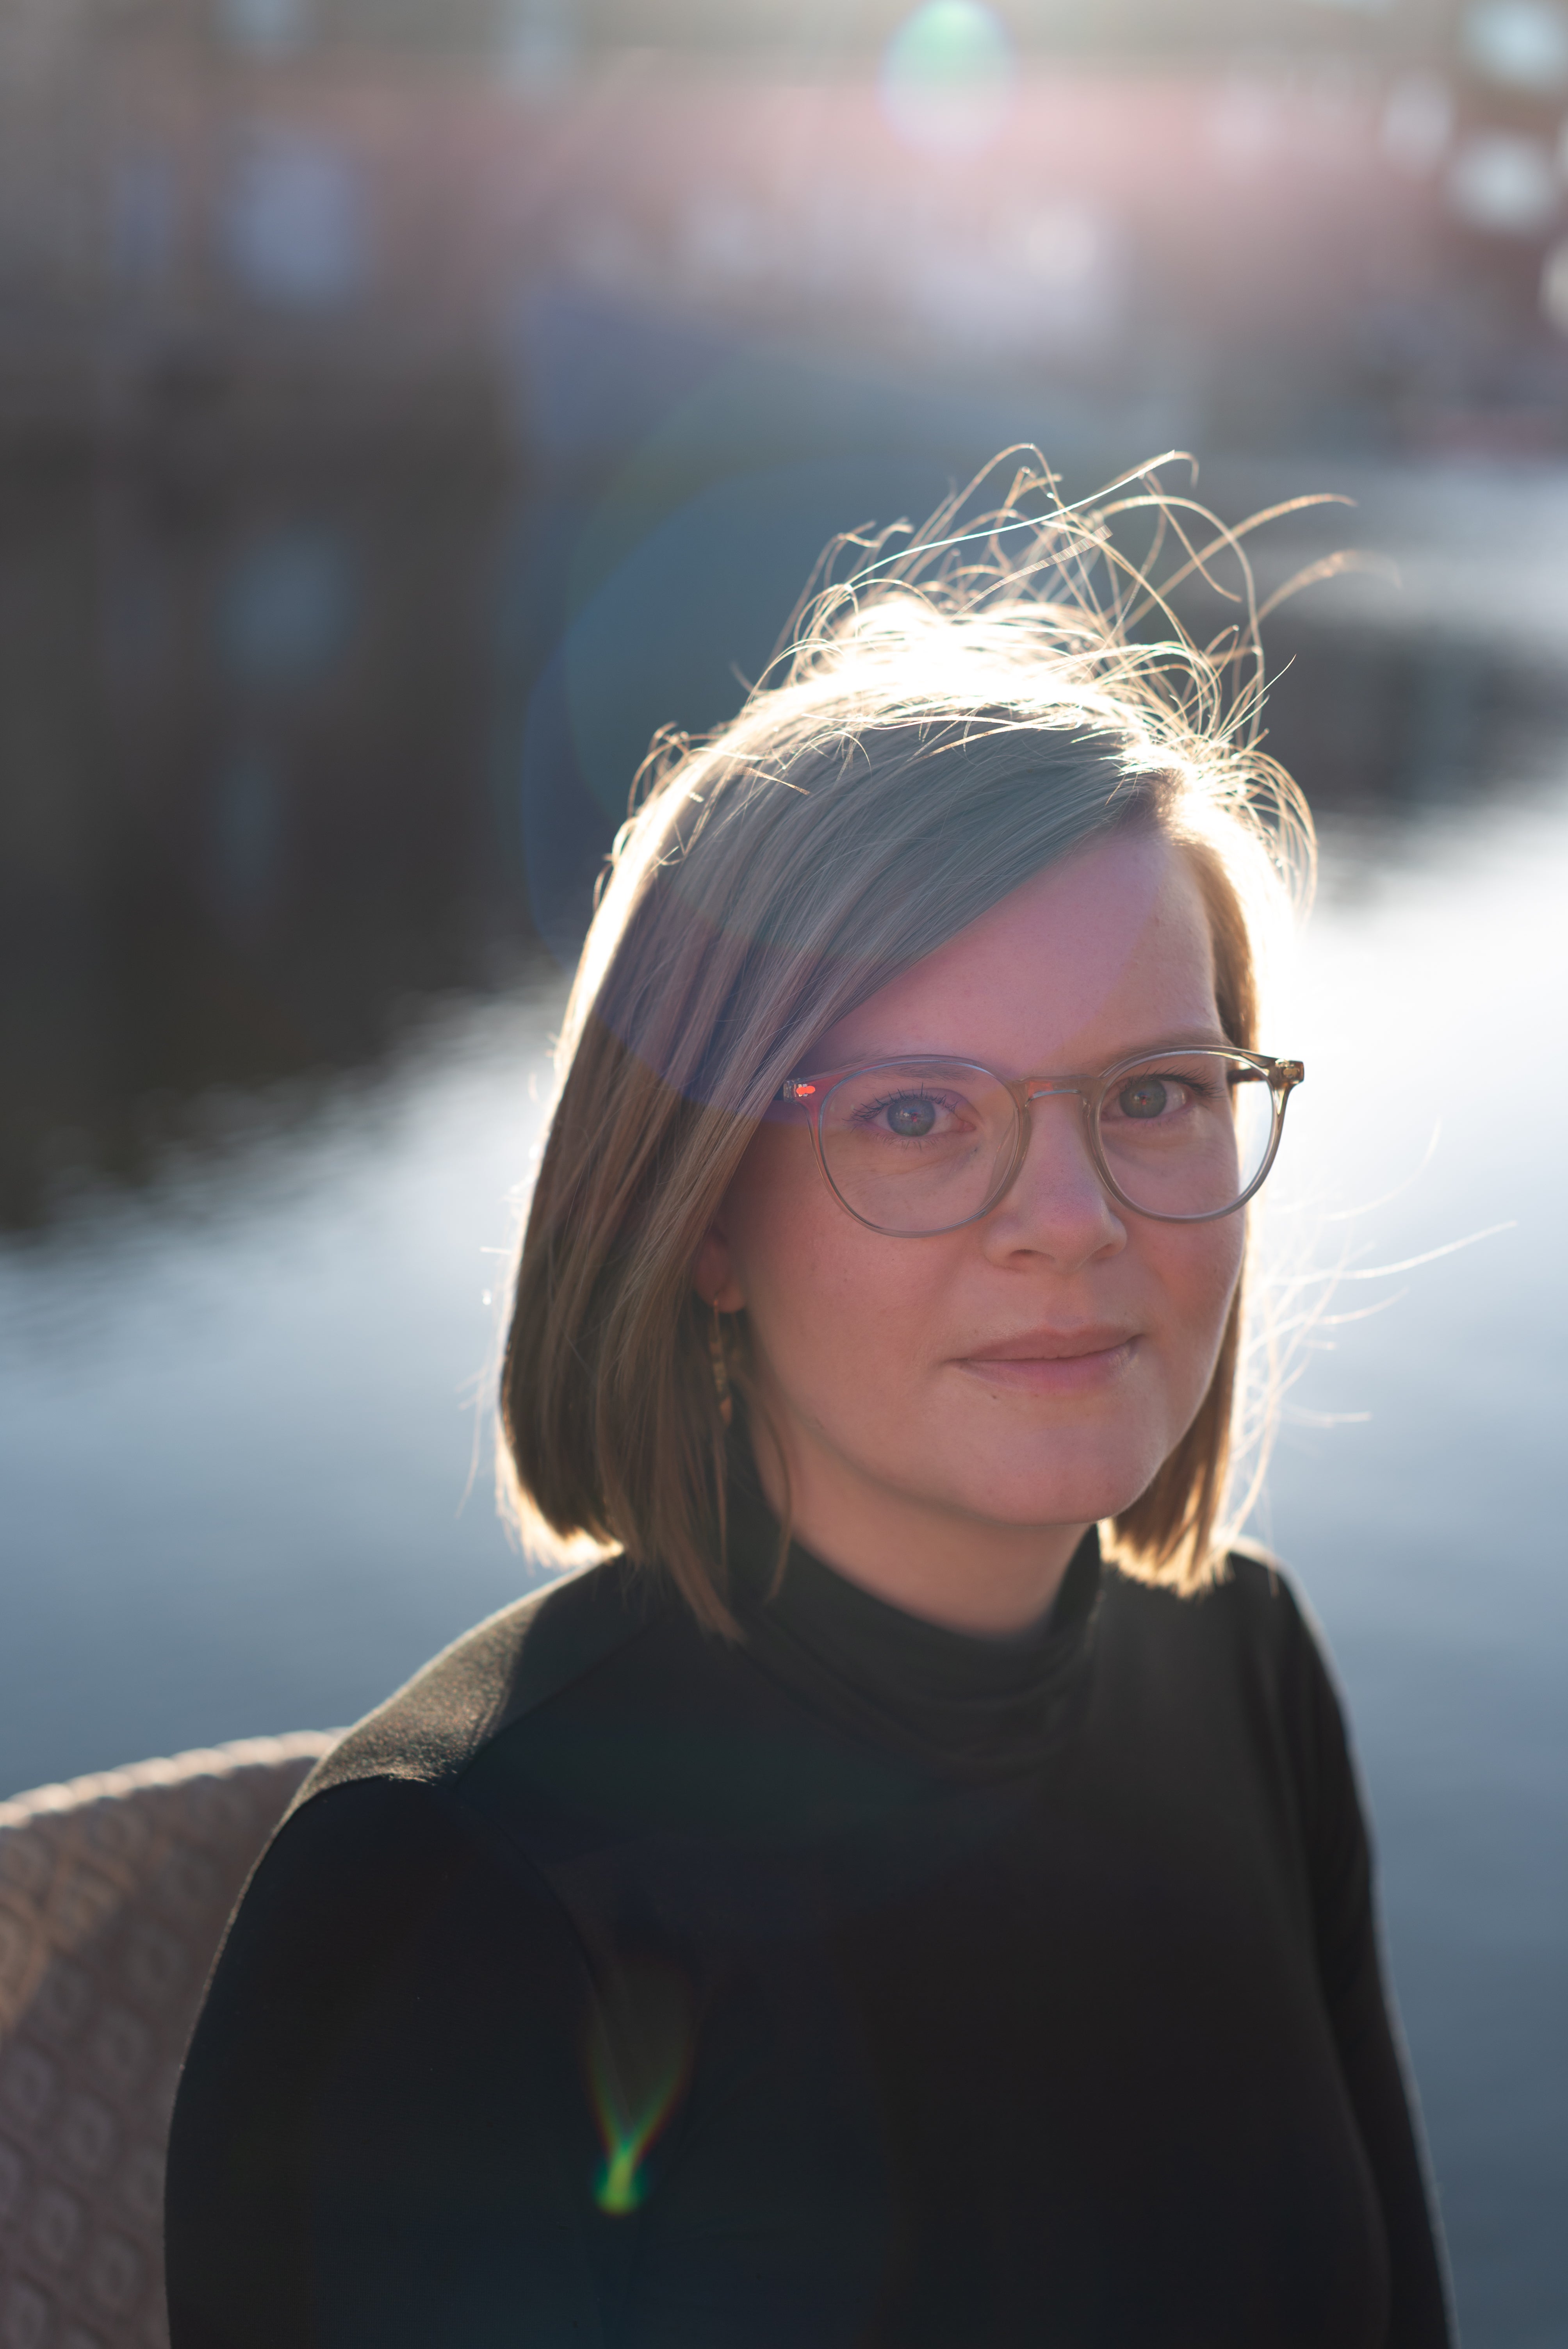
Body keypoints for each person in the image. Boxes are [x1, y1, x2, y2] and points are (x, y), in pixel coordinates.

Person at [165, 459, 1453, 2347]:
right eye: (917, 1116)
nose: (1074, 1225)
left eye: (1156, 1091)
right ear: (701, 1220)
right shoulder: (447, 1904)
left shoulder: (1243, 1666)